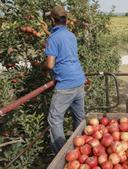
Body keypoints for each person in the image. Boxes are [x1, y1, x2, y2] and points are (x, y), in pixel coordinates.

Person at [44, 5, 86, 154]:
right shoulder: (71, 35)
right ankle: (82, 148)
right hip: (79, 80)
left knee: (54, 119)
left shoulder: (53, 38)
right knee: (79, 117)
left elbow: (50, 64)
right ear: (66, 20)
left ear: (52, 20)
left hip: (66, 83)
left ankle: (63, 155)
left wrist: (43, 66)